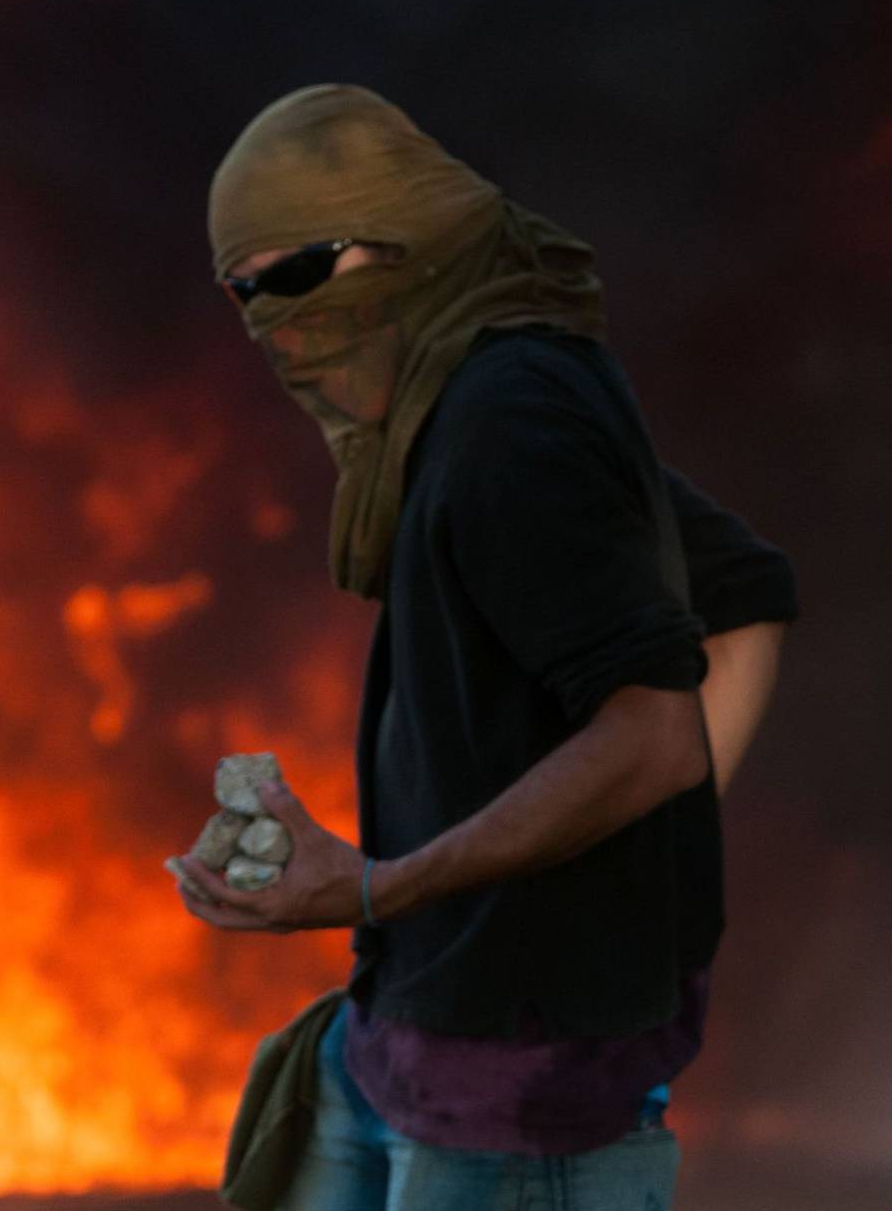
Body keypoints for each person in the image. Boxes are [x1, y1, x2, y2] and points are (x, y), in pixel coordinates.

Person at [172, 84, 797, 1211]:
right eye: (244, 289)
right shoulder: (459, 405)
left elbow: (655, 735)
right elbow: (739, 585)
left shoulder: (511, 420)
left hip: (521, 1094)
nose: (275, 320)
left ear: (402, 235)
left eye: (300, 273)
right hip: (413, 1034)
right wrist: (615, 850)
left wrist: (376, 886)